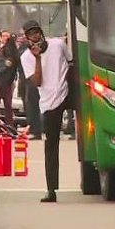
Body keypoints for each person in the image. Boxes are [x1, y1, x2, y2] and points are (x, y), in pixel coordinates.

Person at [20, 20, 73, 203]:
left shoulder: (58, 44)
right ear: (27, 38)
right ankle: (51, 189)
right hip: (49, 102)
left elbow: (71, 62)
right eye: (31, 34)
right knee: (51, 145)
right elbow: (37, 82)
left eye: (37, 32)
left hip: (67, 92)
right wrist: (37, 58)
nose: (35, 36)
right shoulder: (26, 57)